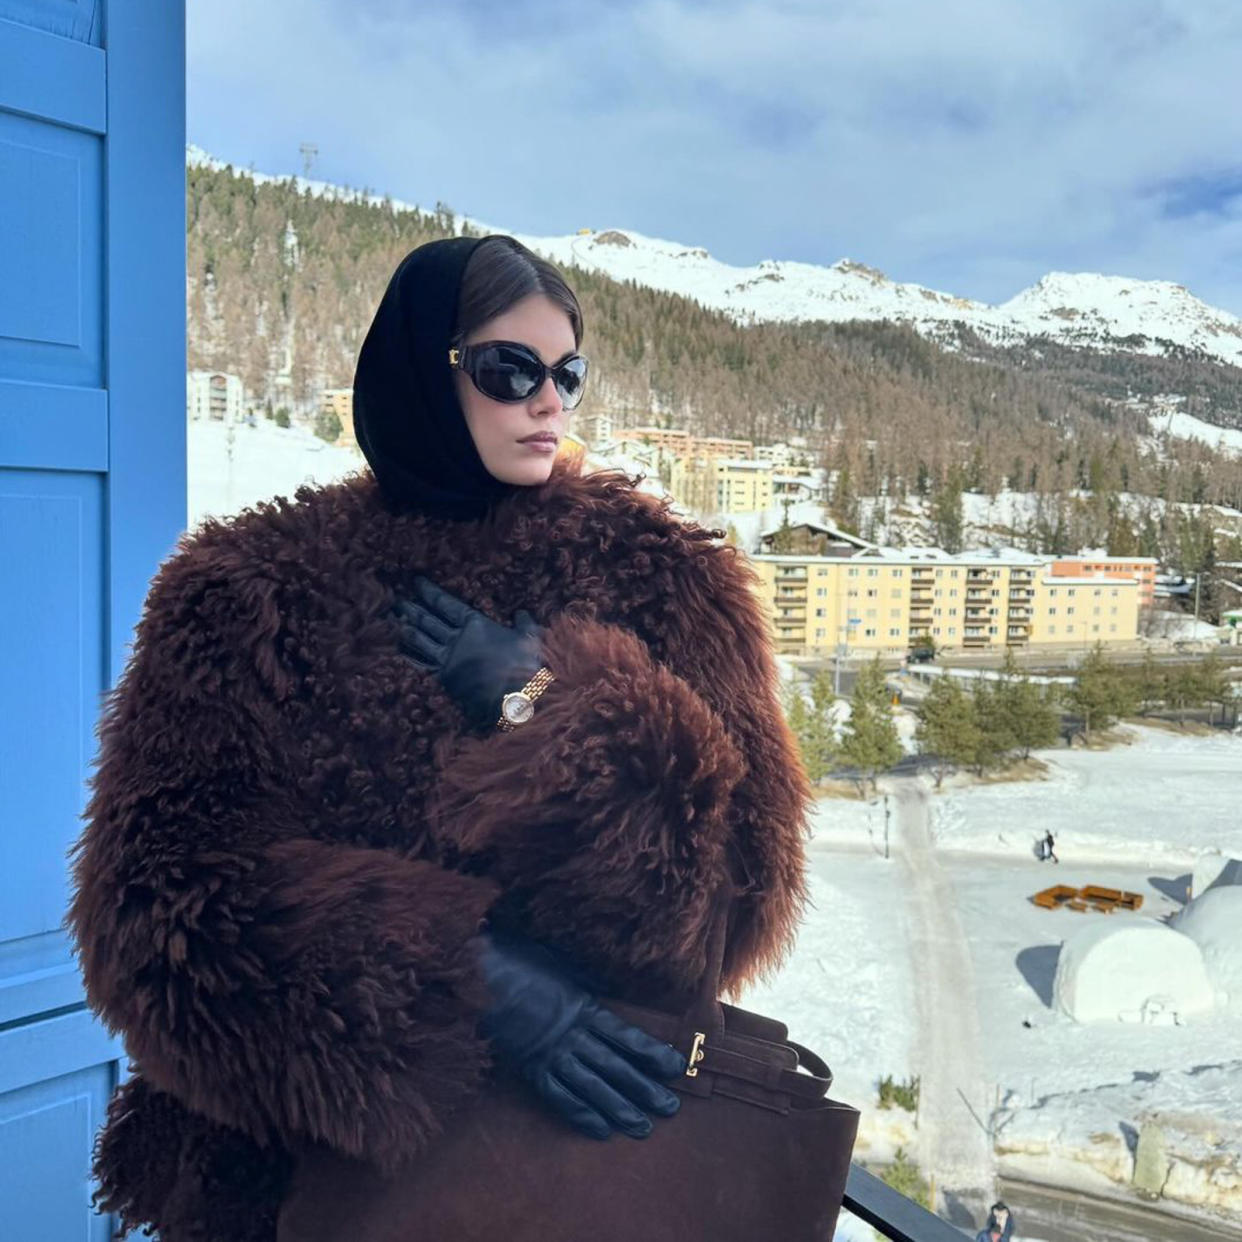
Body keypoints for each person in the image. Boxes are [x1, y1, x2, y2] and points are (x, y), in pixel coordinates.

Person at [68, 235, 809, 1242]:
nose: (548, 402)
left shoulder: (660, 579)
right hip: (301, 1182)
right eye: (512, 371)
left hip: (595, 1175)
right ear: (422, 367)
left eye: (568, 374)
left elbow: (735, 908)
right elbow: (154, 910)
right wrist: (467, 978)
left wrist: (552, 706)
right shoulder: (246, 590)